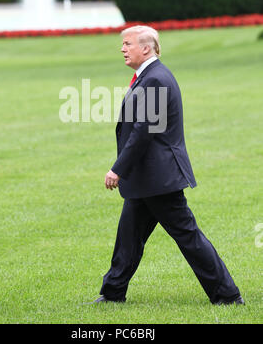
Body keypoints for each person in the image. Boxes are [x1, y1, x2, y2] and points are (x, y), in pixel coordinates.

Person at [93, 25, 244, 306]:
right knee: (129, 237)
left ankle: (228, 295)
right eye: (122, 45)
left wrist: (117, 169)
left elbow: (142, 133)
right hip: (147, 179)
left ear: (146, 48)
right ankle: (113, 293)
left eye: (128, 44)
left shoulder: (155, 79)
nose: (123, 49)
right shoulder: (149, 77)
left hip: (158, 178)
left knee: (188, 238)